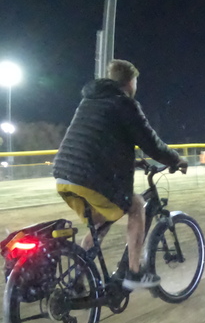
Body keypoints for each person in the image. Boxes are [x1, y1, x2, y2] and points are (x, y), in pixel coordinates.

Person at [53, 59, 188, 290]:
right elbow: (151, 143)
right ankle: (134, 273)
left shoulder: (89, 101)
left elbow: (96, 143)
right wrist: (176, 160)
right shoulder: (124, 104)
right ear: (130, 82)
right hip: (89, 177)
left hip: (65, 176)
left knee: (101, 220)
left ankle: (77, 278)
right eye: (135, 82)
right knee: (136, 205)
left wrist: (130, 161)